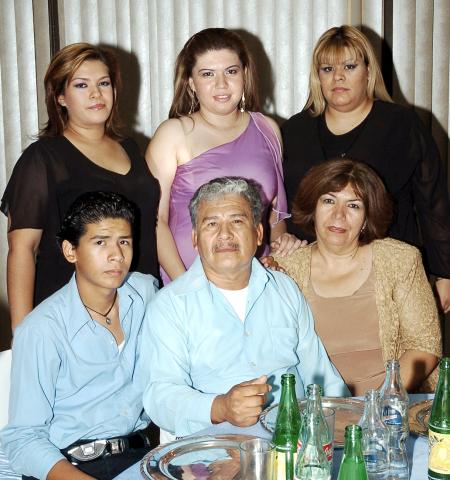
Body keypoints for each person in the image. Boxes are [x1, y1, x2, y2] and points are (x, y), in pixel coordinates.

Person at [141, 177, 348, 438]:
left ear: (259, 233)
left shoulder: (284, 289)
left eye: (237, 221)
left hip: (296, 444)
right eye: (211, 224)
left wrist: (348, 427)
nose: (224, 234)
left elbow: (320, 373)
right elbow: (159, 396)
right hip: (214, 456)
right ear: (195, 238)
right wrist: (220, 407)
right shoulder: (170, 305)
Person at [282, 25, 450, 313]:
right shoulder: (294, 131)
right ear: (317, 77)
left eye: (350, 66)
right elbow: (280, 204)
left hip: (390, 279)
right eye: (327, 68)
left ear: (369, 71)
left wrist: (445, 272)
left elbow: (433, 202)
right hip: (313, 283)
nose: (338, 77)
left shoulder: (402, 124)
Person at [0, 191, 159, 480]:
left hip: (137, 457)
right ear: (70, 251)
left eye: (124, 241)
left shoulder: (145, 293)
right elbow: (22, 439)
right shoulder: (42, 330)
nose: (117, 255)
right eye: (100, 242)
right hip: (69, 466)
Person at [1, 43, 160, 330]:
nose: (96, 94)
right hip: (71, 316)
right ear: (60, 97)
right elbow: (23, 248)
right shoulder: (44, 157)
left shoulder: (131, 148)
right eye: (81, 85)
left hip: (138, 305)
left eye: (103, 83)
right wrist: (22, 332)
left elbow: (153, 224)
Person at [272, 159, 441, 396]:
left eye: (353, 206)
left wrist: (378, 405)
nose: (338, 215)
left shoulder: (400, 260)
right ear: (313, 208)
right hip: (316, 411)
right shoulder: (286, 268)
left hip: (391, 407)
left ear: (367, 216)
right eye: (329, 201)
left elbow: (424, 346)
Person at [146, 27, 300, 284]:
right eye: (207, 74)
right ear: (191, 83)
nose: (221, 84)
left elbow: (274, 216)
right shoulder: (172, 134)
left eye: (231, 71)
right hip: (189, 283)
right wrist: (185, 285)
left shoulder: (268, 129)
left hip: (255, 281)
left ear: (245, 74)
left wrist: (281, 247)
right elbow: (155, 221)